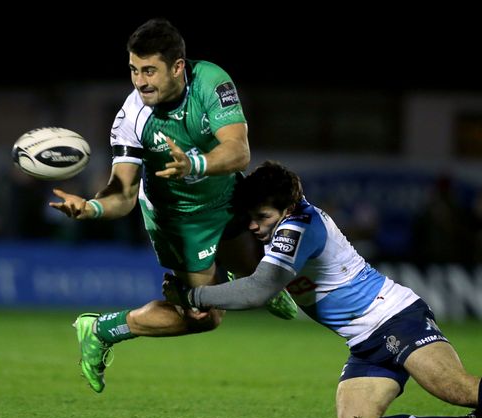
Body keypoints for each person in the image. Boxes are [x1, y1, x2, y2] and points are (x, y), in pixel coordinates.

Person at [163, 161, 482, 418]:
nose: (255, 227)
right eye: (251, 219)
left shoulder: (297, 226)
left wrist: (194, 295)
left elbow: (260, 289)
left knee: (457, 388)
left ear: (284, 208)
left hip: (394, 318)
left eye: (261, 217)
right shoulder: (280, 221)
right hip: (365, 342)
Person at [48, 18, 297, 393]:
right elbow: (123, 193)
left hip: (226, 196)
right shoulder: (132, 116)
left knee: (254, 265)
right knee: (204, 317)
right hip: (179, 221)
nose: (140, 81)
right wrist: (90, 209)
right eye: (133, 70)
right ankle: (100, 329)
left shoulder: (212, 81)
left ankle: (253, 283)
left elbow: (238, 151)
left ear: (178, 67)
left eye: (149, 70)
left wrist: (194, 163)